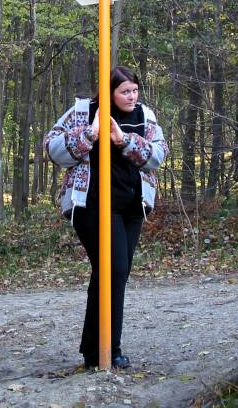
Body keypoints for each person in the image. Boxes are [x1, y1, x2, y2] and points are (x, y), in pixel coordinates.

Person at [44, 66, 168, 369]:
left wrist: (124, 140)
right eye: (125, 91)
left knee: (112, 273)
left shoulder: (144, 116)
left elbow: (158, 155)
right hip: (91, 205)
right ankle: (109, 350)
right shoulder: (83, 112)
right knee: (115, 267)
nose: (132, 96)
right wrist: (90, 133)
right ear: (109, 92)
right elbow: (52, 148)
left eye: (135, 90)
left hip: (131, 207)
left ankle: (95, 350)